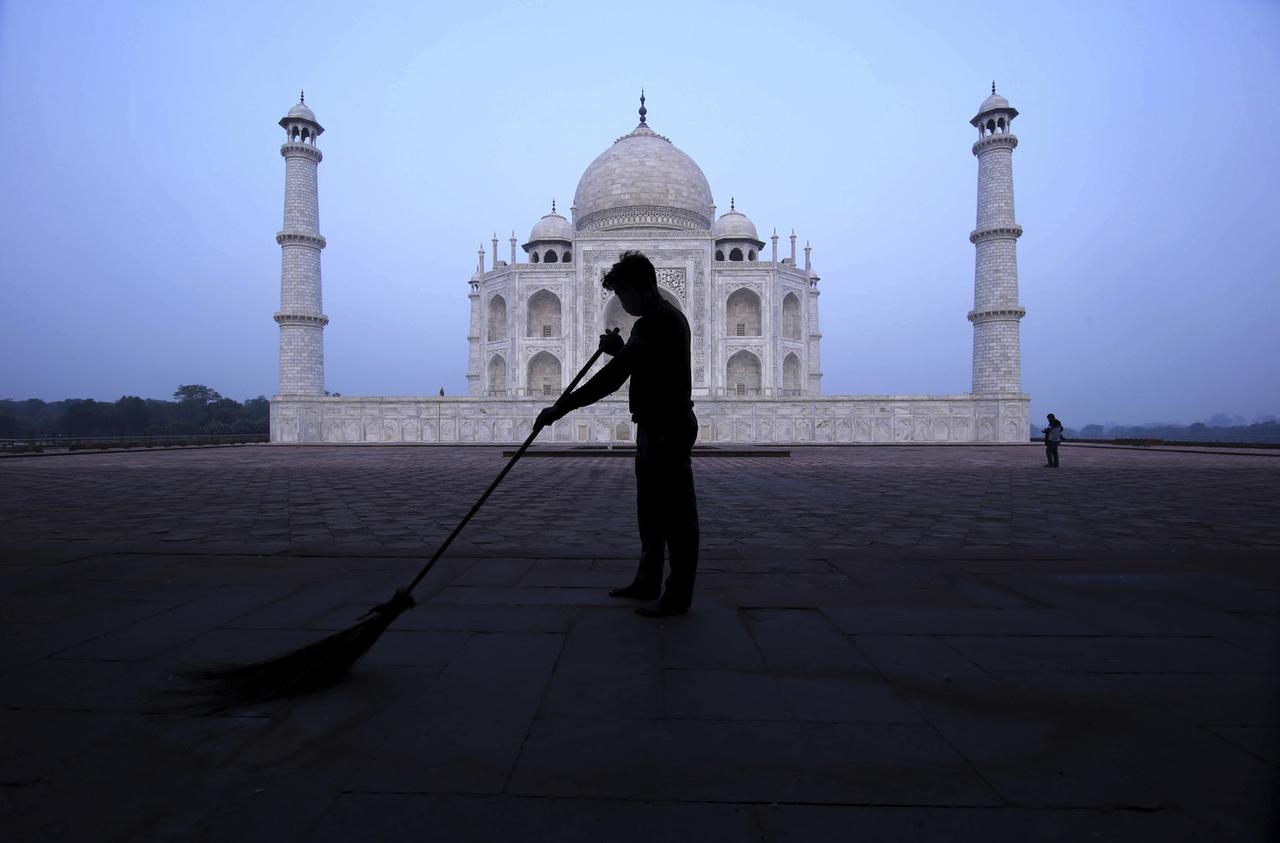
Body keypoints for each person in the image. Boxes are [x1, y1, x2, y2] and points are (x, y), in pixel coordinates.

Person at [536, 251, 699, 617]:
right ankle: (648, 580)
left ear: (641, 287)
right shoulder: (665, 320)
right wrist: (620, 349)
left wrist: (561, 408)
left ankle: (677, 594)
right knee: (652, 511)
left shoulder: (656, 321)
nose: (621, 303)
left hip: (665, 426)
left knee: (674, 514)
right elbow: (646, 365)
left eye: (623, 294)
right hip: (657, 424)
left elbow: (613, 378)